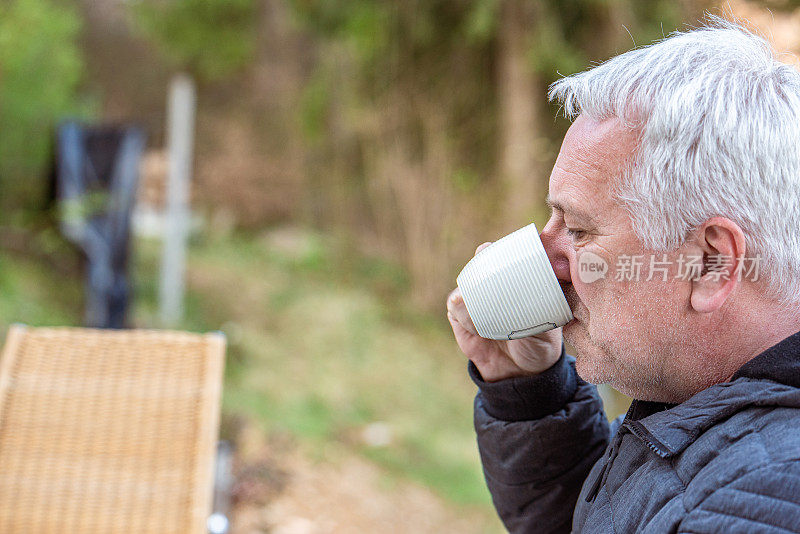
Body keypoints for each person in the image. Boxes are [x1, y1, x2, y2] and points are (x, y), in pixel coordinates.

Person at [446, 18, 800, 533]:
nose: (548, 261)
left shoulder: (757, 499)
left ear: (710, 263)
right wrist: (532, 393)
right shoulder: (714, 414)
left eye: (579, 230)